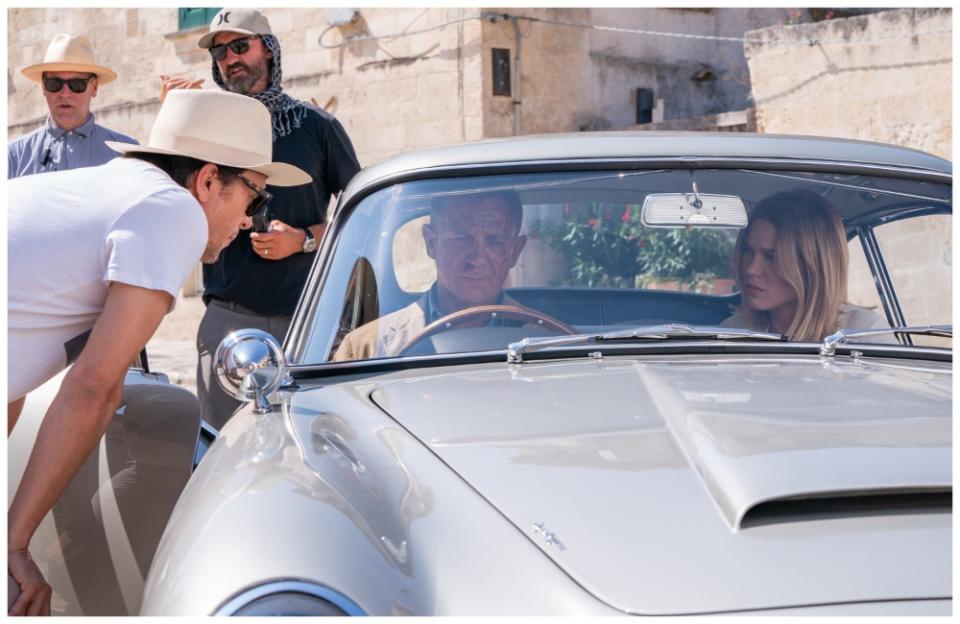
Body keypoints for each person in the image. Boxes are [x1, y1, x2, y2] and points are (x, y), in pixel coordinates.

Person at [7, 89, 311, 617]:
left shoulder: (109, 189)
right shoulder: (172, 212)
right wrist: (14, 540)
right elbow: (95, 388)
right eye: (256, 198)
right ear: (209, 179)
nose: (250, 222)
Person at [162, 8, 361, 429]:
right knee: (221, 449)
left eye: (240, 46)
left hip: (307, 320)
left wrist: (304, 239)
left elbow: (362, 217)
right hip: (228, 321)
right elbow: (171, 203)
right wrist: (174, 126)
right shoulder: (208, 134)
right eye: (220, 53)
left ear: (269, 50)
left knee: (315, 443)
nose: (230, 59)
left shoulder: (316, 127)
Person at [334, 190, 529, 361]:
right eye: (461, 239)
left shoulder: (550, 342)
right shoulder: (364, 348)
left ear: (515, 251)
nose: (477, 259)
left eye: (495, 242)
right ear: (431, 242)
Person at [720, 189, 889, 341]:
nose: (751, 269)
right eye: (747, 251)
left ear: (814, 266)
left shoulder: (864, 335)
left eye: (772, 257)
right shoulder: (734, 331)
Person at [8, 33, 137, 178]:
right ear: (43, 87)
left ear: (94, 87)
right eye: (54, 83)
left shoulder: (128, 154)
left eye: (76, 84)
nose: (65, 93)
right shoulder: (13, 158)